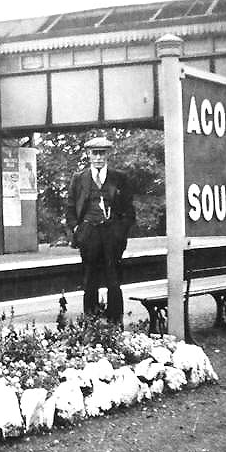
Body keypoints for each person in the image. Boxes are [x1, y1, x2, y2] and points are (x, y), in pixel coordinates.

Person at [66, 136, 136, 324]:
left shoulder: (119, 178)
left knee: (113, 279)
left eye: (102, 153)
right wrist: (77, 229)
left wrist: (120, 232)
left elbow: (129, 211)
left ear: (108, 154)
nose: (98, 157)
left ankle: (115, 323)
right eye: (94, 153)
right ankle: (91, 322)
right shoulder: (79, 178)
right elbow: (70, 207)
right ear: (88, 155)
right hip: (89, 234)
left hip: (111, 234)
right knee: (89, 280)